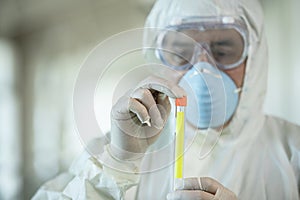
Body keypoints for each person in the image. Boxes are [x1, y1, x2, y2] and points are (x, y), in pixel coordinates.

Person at [32, 0, 300, 199]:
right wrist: (118, 165)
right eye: (182, 53)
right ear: (159, 61)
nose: (203, 69)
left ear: (255, 59)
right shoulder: (116, 152)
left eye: (223, 50)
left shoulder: (292, 152)